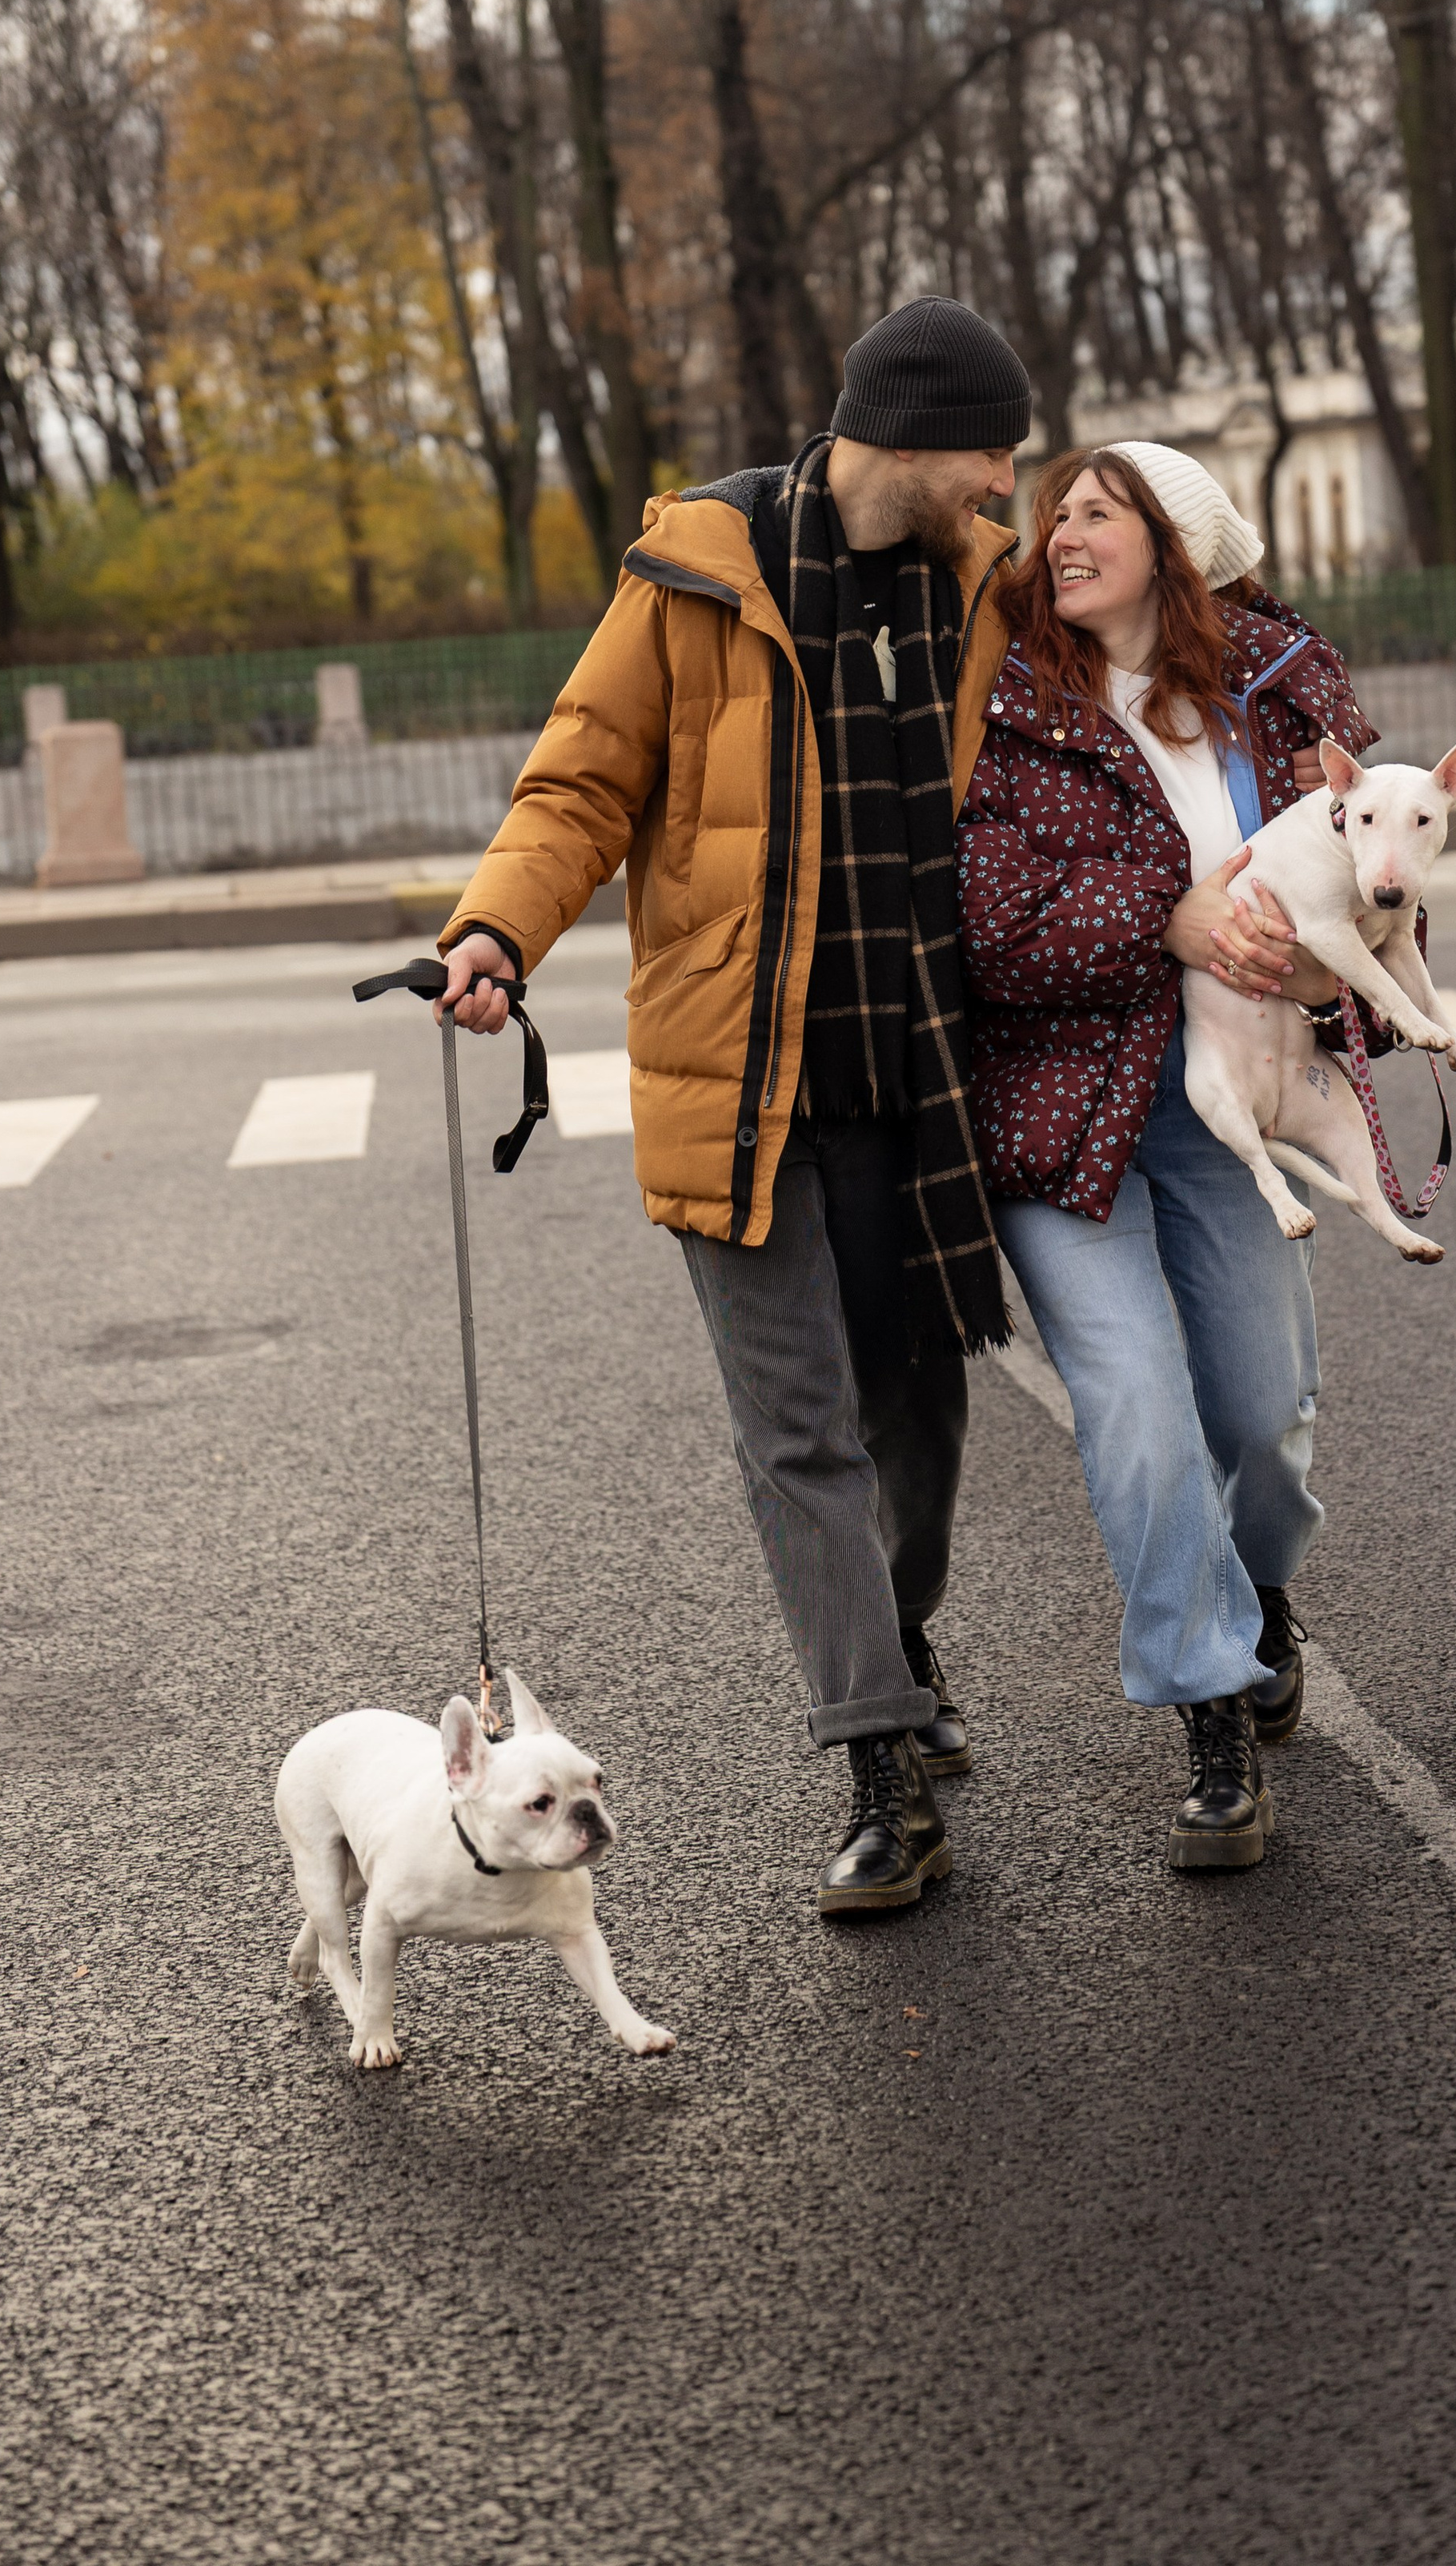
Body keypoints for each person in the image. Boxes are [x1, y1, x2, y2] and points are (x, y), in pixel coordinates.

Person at [436, 295, 1028, 1916]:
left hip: (921, 1084)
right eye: (989, 450)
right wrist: (494, 927)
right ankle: (880, 1765)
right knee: (797, 1438)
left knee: (919, 1411)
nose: (1004, 483)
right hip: (744, 1093)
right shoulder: (698, 574)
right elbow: (579, 777)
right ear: (902, 435)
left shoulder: (983, 582)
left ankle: (898, 1642)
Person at [955, 441, 1382, 1869]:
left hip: (1233, 1112)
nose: (1057, 532)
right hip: (1065, 1116)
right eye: (1052, 513)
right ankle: (1207, 1709)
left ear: (1176, 546)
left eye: (1095, 514)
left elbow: (1382, 878)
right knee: (1136, 1409)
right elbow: (991, 922)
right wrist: (1174, 916)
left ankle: (1260, 1594)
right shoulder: (1003, 698)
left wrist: (1347, 975)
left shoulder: (1281, 690)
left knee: (1262, 1412)